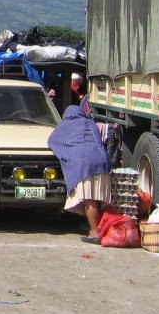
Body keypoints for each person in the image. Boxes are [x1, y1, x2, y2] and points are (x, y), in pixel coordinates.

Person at [47, 95, 112, 243]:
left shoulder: (65, 125)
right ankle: (100, 228)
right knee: (99, 200)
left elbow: (52, 141)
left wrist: (67, 155)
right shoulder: (89, 123)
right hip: (102, 162)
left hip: (84, 165)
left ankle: (95, 232)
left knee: (90, 200)